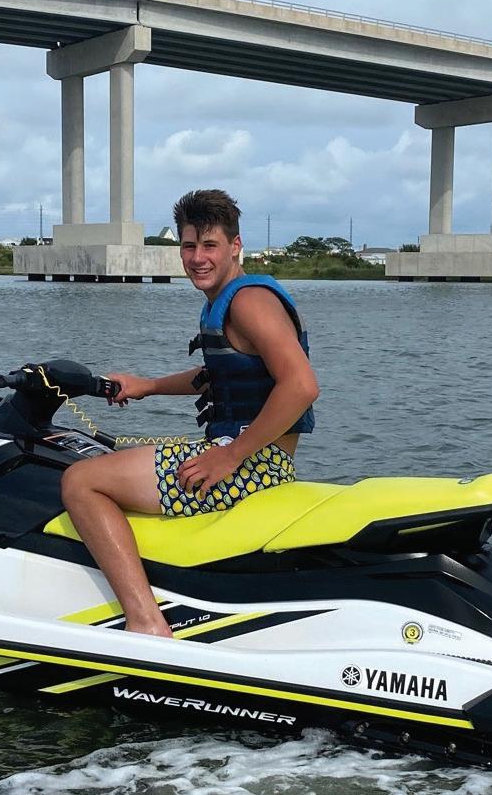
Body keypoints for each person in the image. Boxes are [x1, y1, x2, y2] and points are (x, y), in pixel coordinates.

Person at [61, 189, 320, 638]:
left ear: (235, 246)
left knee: (81, 481)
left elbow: (301, 386)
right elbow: (223, 374)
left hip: (256, 465)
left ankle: (146, 622)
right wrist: (148, 386)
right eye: (188, 246)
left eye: (210, 245)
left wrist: (230, 456)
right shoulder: (228, 299)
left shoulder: (249, 302)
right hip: (251, 457)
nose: (198, 258)